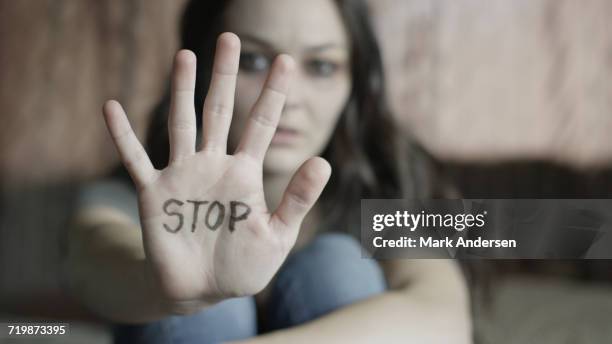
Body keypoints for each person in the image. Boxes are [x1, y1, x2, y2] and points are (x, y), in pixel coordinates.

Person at [64, 0, 471, 342]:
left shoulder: (391, 180)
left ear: (356, 85)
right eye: (254, 60)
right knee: (209, 310)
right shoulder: (134, 188)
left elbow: (442, 316)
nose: (289, 98)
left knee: (336, 267)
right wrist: (164, 285)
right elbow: (96, 263)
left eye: (323, 66)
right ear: (207, 69)